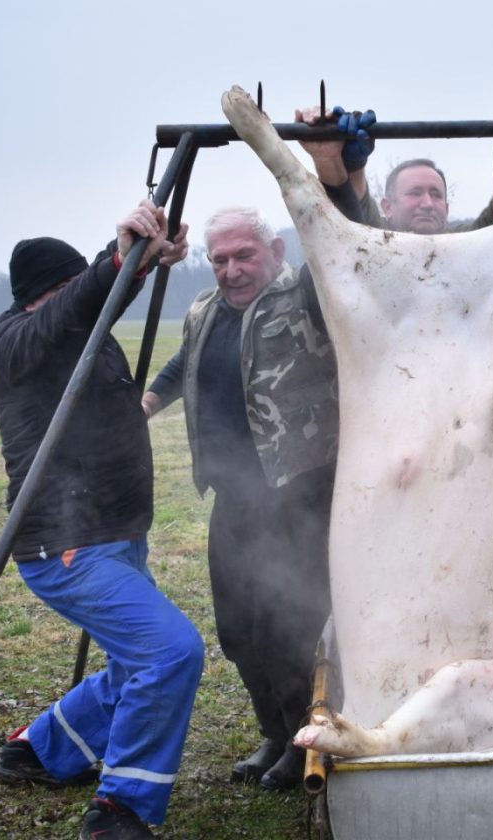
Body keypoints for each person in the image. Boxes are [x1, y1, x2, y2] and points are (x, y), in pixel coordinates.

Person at [0, 201, 201, 840]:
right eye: (67, 290)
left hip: (115, 535)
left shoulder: (72, 329)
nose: (78, 302)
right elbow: (76, 304)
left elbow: (85, 303)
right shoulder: (13, 342)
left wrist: (143, 261)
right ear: (40, 300)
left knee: (138, 662)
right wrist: (117, 259)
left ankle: (39, 749)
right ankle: (121, 809)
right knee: (170, 653)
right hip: (68, 545)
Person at [141, 205, 341, 792]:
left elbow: (336, 245)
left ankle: (305, 736)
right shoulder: (204, 310)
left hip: (299, 494)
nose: (230, 270)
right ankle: (276, 732)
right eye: (219, 258)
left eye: (243, 255)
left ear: (276, 251)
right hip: (234, 496)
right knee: (238, 630)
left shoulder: (306, 296)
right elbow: (187, 364)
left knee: (290, 627)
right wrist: (148, 402)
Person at [296, 104, 493, 234]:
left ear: (447, 207)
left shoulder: (461, 242)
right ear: (387, 207)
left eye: (436, 195)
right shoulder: (376, 236)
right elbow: (352, 211)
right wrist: (350, 165)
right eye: (414, 193)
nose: (427, 203)